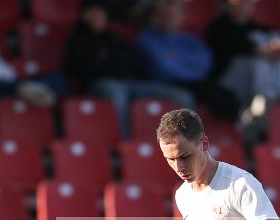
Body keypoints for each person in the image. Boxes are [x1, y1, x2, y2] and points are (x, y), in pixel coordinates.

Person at [64, 0, 196, 138]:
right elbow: (83, 68)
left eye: (101, 12)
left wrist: (112, 62)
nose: (98, 16)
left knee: (182, 96)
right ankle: (125, 142)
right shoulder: (77, 38)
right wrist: (112, 64)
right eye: (93, 12)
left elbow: (137, 60)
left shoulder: (112, 36)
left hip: (130, 82)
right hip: (100, 83)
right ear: (84, 15)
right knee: (116, 93)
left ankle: (190, 144)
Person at [138, 0, 240, 121]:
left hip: (195, 83)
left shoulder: (189, 39)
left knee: (226, 95)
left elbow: (205, 63)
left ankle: (238, 128)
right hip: (165, 84)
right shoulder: (148, 38)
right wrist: (189, 65)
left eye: (173, 15)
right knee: (200, 94)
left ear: (181, 16)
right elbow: (164, 68)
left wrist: (177, 59)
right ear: (156, 16)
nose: (169, 18)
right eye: (165, 15)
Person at [205, 0, 280, 112]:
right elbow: (234, 45)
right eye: (238, 3)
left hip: (253, 81)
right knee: (258, 59)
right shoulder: (218, 26)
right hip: (227, 84)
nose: (242, 8)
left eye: (246, 4)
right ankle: (263, 98)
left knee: (275, 44)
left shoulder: (255, 27)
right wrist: (262, 50)